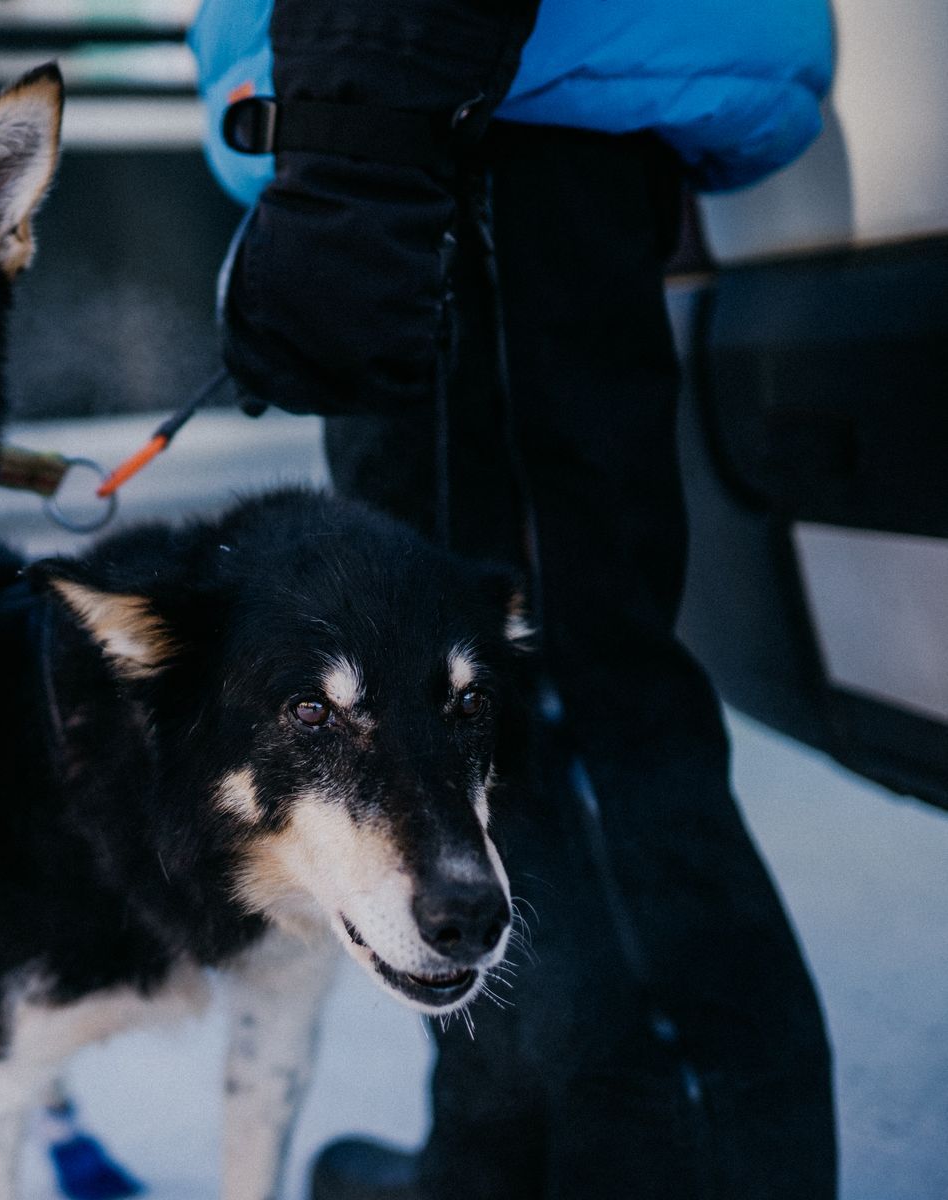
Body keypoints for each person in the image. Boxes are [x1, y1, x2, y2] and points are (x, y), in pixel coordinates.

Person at [189, 0, 838, 1196]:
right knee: (485, 725)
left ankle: (678, 1164)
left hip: (446, 114)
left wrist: (353, 159)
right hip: (465, 107)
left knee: (556, 702)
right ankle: (508, 1144)